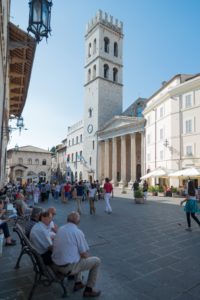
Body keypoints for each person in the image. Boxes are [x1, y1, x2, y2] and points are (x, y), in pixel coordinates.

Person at [52, 211, 101, 298]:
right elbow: (84, 254)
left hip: (55, 264)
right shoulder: (77, 232)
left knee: (76, 255)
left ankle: (78, 282)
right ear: (78, 222)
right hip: (66, 267)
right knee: (96, 261)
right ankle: (89, 290)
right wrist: (88, 257)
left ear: (67, 220)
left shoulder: (60, 228)